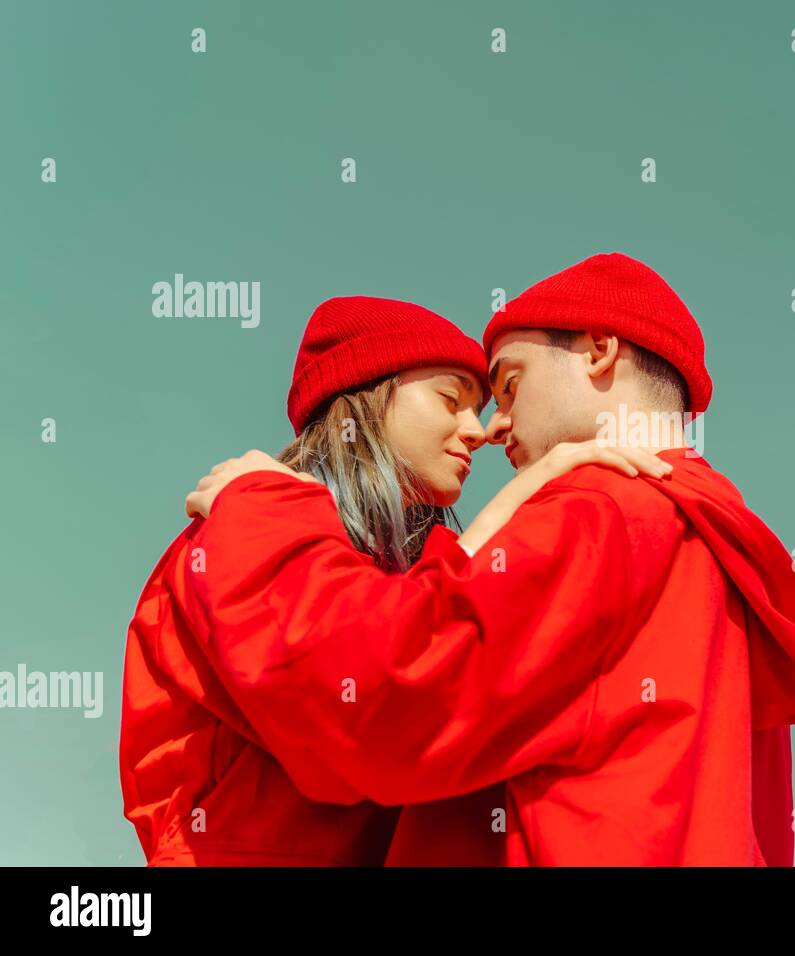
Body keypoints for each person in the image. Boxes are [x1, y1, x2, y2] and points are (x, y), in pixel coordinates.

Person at [182, 253, 795, 865]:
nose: (492, 427)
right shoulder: (718, 550)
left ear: (599, 351)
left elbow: (386, 694)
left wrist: (260, 514)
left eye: (509, 383)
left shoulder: (600, 511)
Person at [120, 294, 664, 865]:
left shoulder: (412, 558)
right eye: (451, 399)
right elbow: (362, 710)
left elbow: (425, 639)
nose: (477, 431)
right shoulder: (233, 537)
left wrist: (537, 482)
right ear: (367, 401)